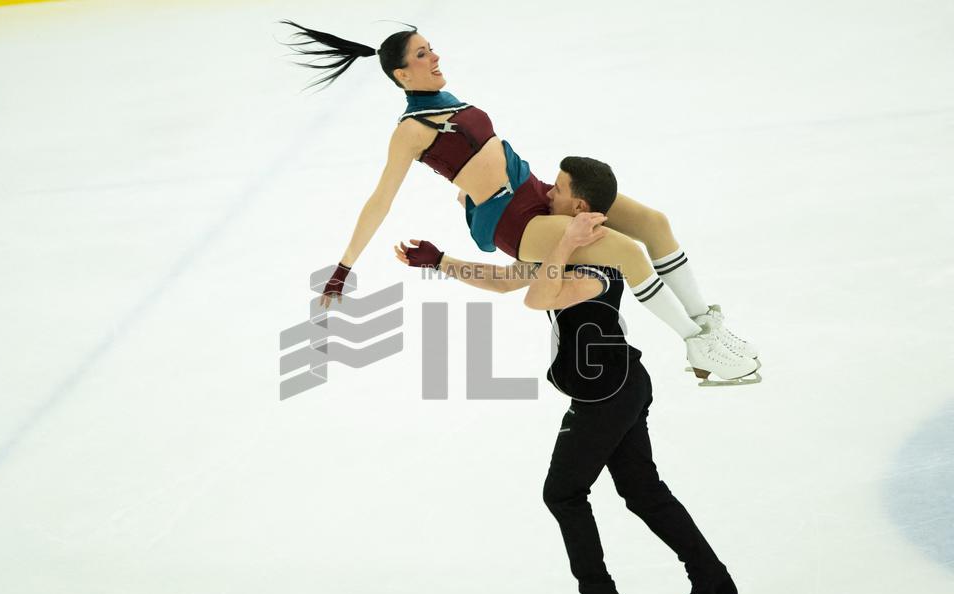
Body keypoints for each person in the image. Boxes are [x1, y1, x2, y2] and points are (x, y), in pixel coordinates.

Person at [393, 157, 746, 594]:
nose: (546, 195)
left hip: (607, 394)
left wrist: (565, 241)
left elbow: (537, 298)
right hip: (618, 387)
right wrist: (439, 262)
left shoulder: (597, 262)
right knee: (643, 492)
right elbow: (504, 280)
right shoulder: (565, 251)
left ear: (579, 207)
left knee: (563, 493)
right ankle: (713, 586)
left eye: (556, 190)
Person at [283, 21, 760, 384]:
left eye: (431, 49)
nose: (435, 56)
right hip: (514, 222)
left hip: (536, 192)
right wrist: (344, 267)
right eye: (423, 54)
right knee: (626, 253)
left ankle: (705, 320)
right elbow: (379, 201)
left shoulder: (446, 99)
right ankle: (697, 344)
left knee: (652, 223)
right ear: (402, 73)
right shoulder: (411, 129)